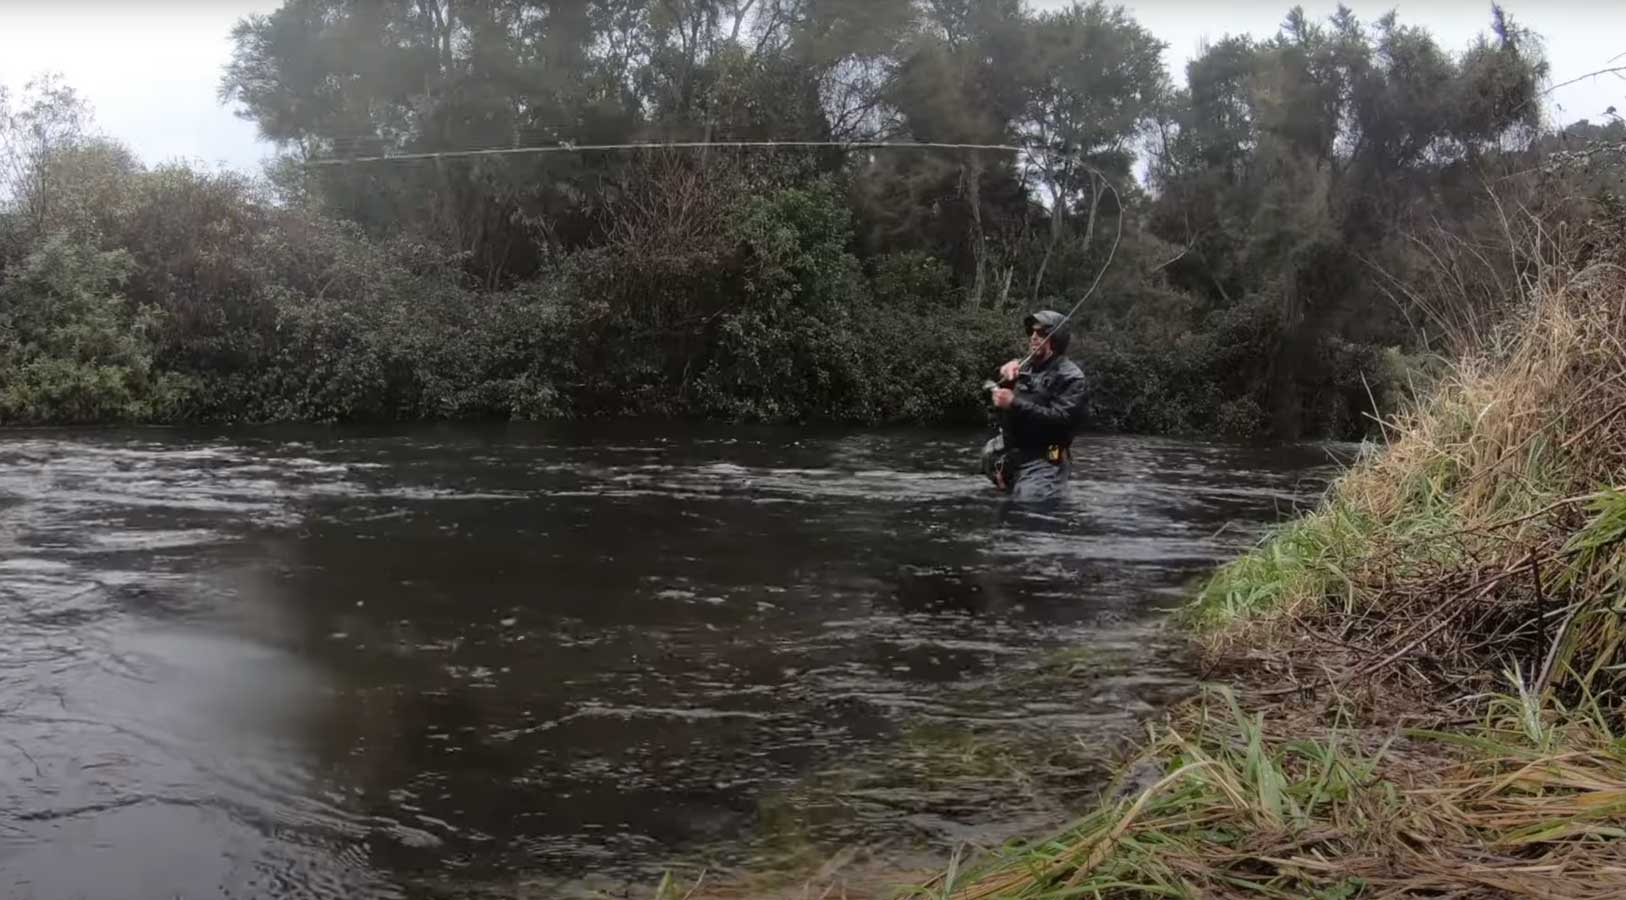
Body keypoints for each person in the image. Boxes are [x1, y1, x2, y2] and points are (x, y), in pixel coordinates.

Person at [981, 310, 1087, 504]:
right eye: (1032, 333)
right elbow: (985, 393)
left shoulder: (1071, 377)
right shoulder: (1022, 368)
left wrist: (1014, 402)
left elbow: (1061, 420)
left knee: (1028, 518)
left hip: (1046, 463)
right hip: (1011, 458)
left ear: (1055, 340)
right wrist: (1002, 378)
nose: (1033, 337)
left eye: (1041, 334)